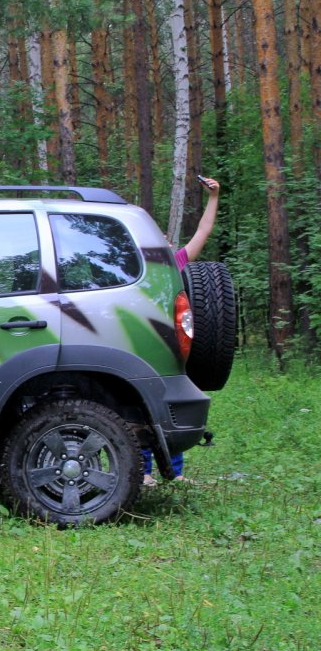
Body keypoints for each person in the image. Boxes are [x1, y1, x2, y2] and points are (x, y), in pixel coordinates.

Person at [144, 175, 221, 488]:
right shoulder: (136, 269)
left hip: (174, 345)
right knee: (142, 404)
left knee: (172, 404)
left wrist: (214, 197)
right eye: (160, 236)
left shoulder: (176, 263)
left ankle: (175, 472)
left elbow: (203, 231)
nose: (168, 239)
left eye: (167, 237)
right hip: (144, 344)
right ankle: (144, 470)